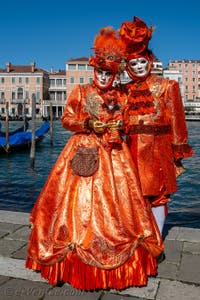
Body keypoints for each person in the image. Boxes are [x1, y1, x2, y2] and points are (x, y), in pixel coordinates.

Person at [26, 26, 163, 291]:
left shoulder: (122, 94)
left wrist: (117, 127)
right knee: (74, 204)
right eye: (99, 71)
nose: (102, 77)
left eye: (107, 73)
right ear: (93, 70)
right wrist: (87, 123)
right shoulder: (80, 91)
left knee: (120, 205)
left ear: (114, 74)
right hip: (82, 150)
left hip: (114, 154)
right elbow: (67, 119)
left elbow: (130, 121)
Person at [119, 16, 194, 235]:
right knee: (135, 192)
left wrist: (178, 150)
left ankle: (157, 237)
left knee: (159, 194)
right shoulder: (125, 90)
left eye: (143, 62)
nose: (140, 67)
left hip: (158, 149)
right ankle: (140, 233)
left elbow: (178, 121)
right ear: (129, 67)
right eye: (134, 64)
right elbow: (121, 121)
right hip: (132, 149)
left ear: (150, 62)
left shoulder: (168, 86)